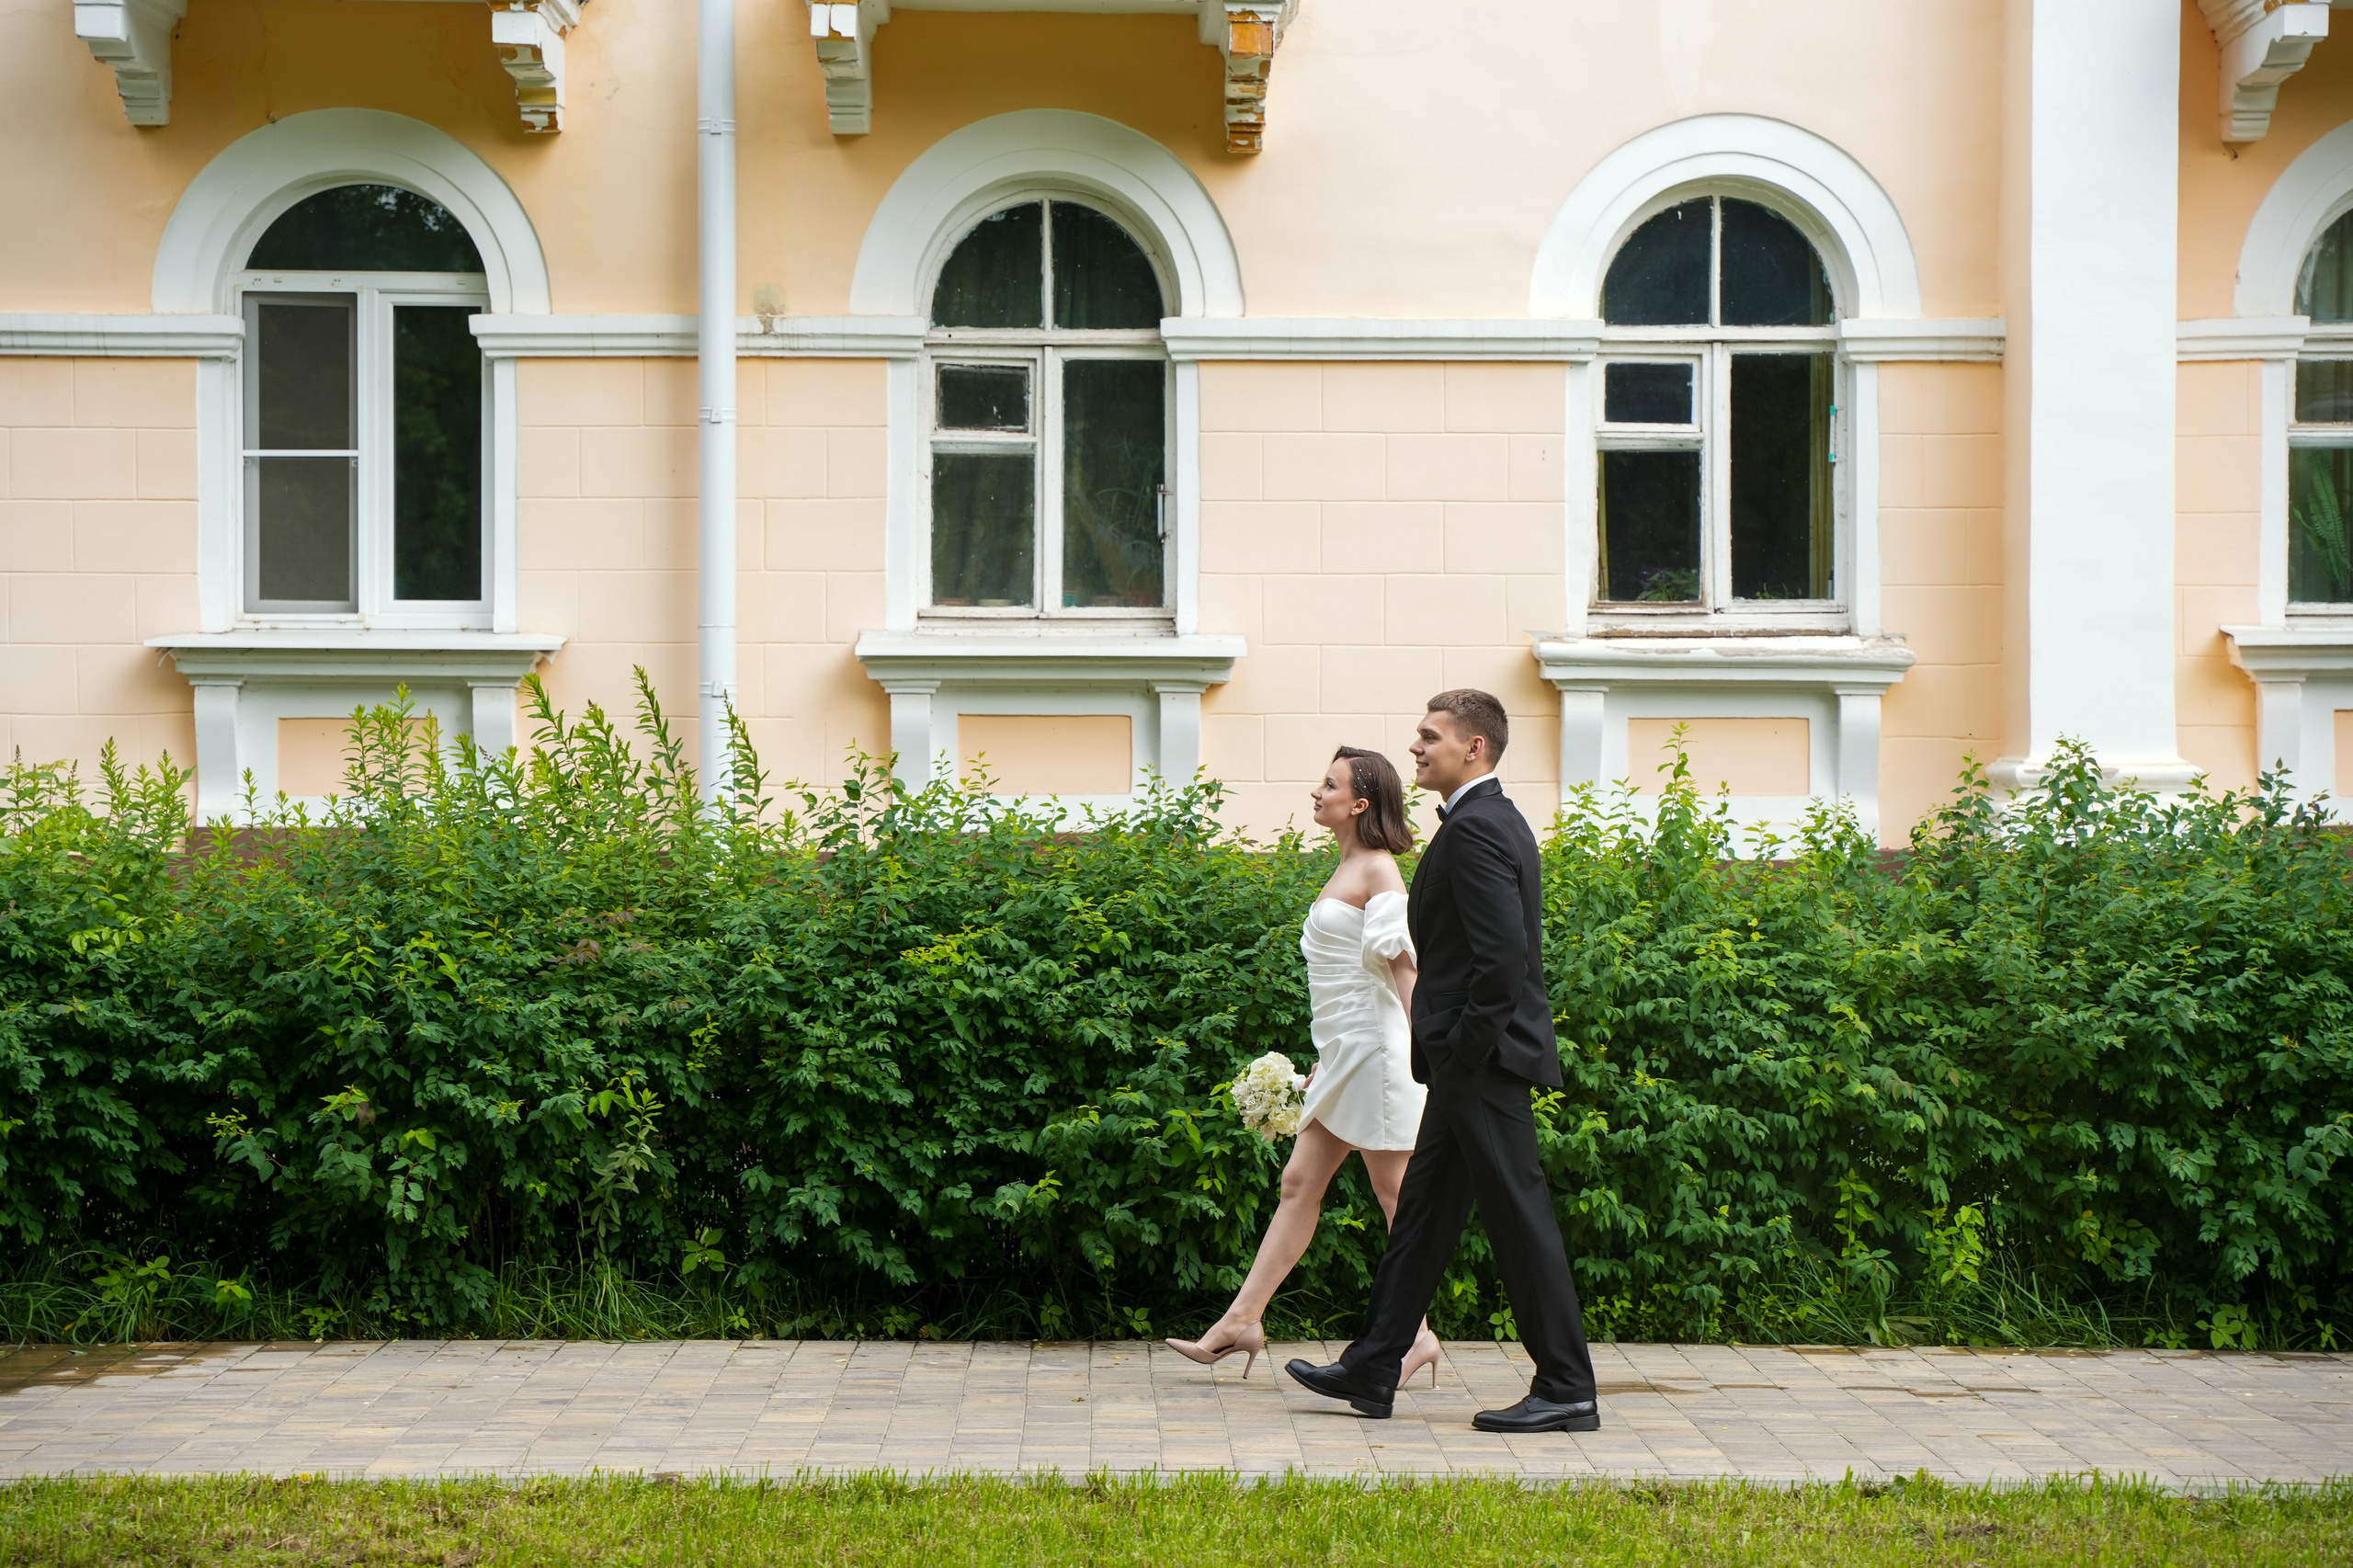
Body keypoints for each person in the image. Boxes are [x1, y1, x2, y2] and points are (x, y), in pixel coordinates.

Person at [1285, 690, 1602, 1434]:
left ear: (1474, 748)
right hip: (1464, 1063)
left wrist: (1460, 1048)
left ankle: (1566, 1385)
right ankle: (1375, 1365)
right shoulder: (1481, 821)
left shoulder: (1479, 828)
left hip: (1480, 1064)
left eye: (1431, 737)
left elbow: (1503, 962)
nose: (1417, 748)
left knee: (1518, 1216)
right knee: (1423, 1215)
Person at [1165, 745, 1441, 1385]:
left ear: (1360, 803)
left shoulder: (1379, 869)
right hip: (1346, 1056)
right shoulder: (1345, 866)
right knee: (1298, 1184)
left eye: (1330, 785)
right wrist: (1325, 1060)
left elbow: (1403, 967)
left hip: (1380, 1056)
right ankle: (1242, 1321)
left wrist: (1430, 1052)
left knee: (1395, 1197)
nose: (1317, 792)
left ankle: (1416, 1337)